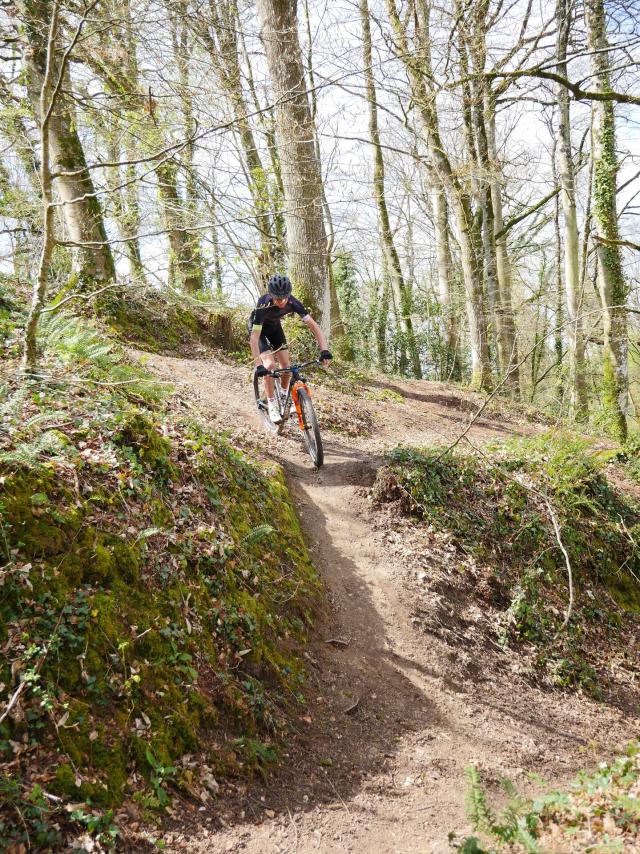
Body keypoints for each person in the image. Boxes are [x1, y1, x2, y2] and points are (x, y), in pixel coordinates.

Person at [249, 274, 332, 423]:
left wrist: (324, 350)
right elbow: (254, 338)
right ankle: (272, 402)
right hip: (259, 331)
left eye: (284, 298)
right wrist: (258, 365)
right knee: (269, 365)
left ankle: (283, 394)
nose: (281, 302)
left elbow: (314, 327)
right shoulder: (263, 304)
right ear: (271, 295)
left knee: (286, 367)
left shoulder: (294, 302)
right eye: (277, 298)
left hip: (275, 328)